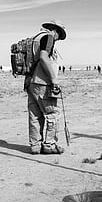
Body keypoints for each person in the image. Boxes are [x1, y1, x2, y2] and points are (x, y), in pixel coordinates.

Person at [26, 20, 67, 155]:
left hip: (31, 82)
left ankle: (35, 146)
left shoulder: (35, 39)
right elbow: (44, 57)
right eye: (59, 36)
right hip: (43, 82)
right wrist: (54, 80)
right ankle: (49, 145)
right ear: (56, 31)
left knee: (35, 115)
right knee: (52, 113)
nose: (58, 39)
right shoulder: (48, 37)